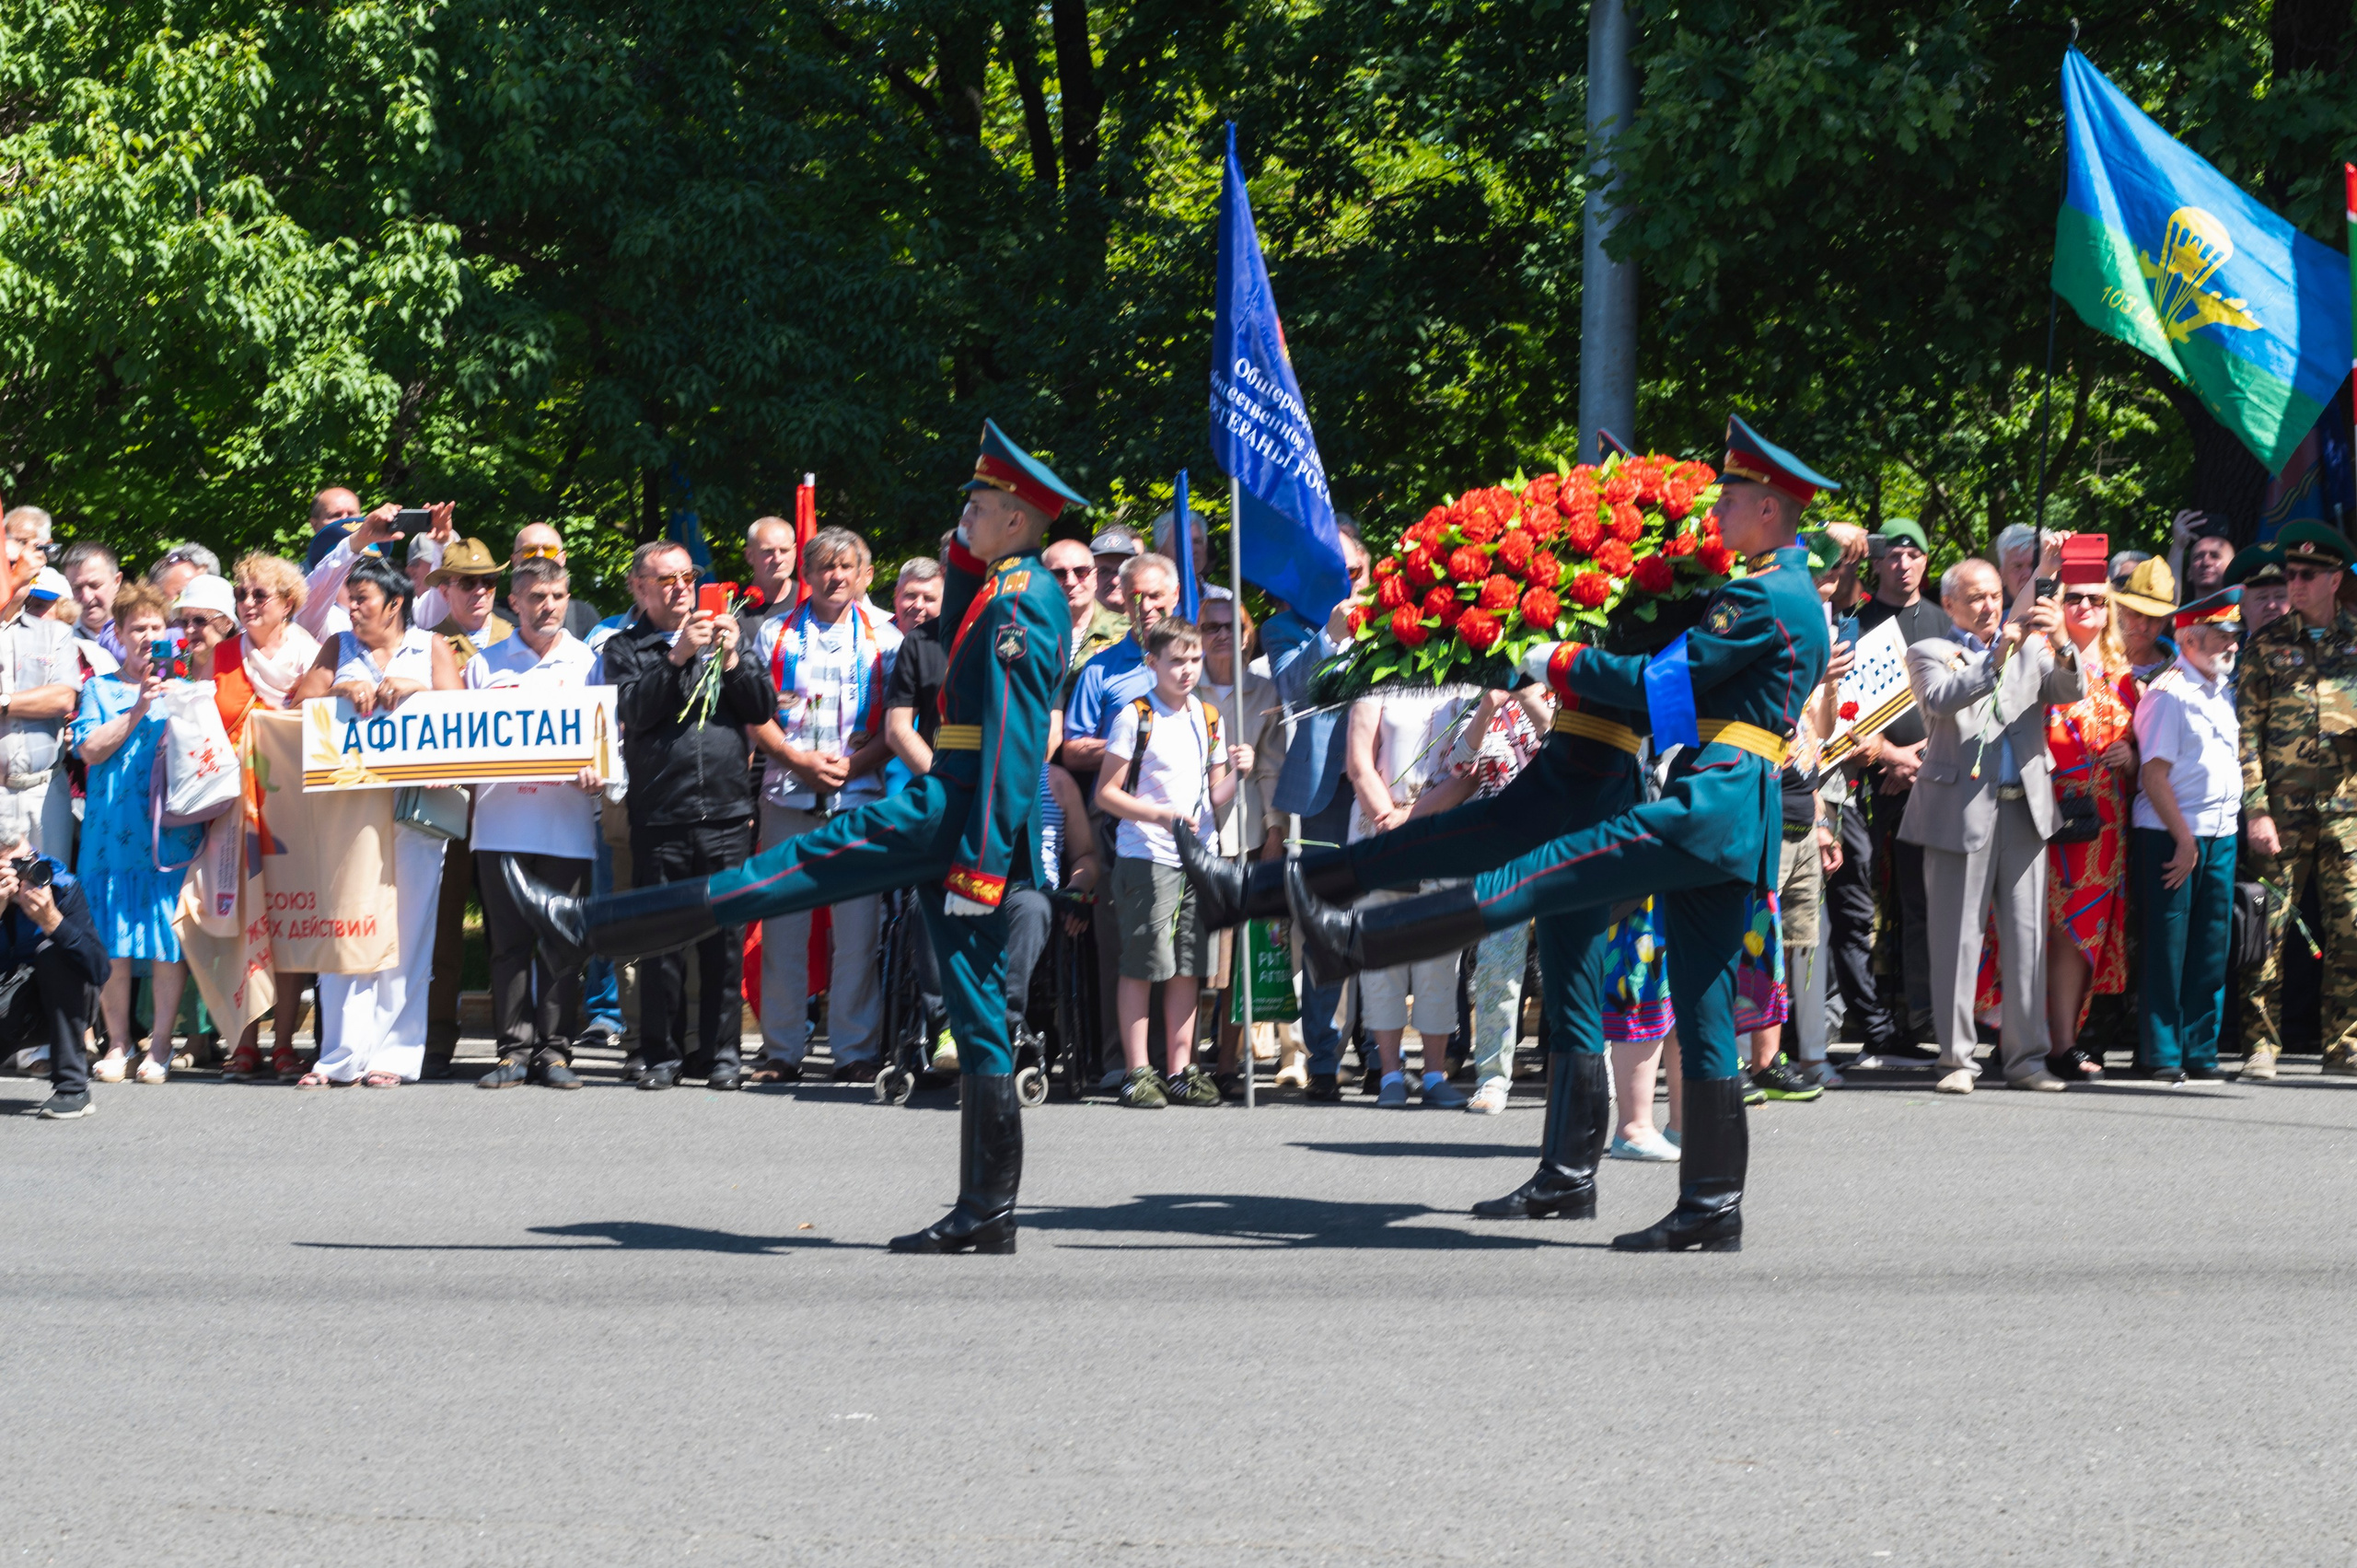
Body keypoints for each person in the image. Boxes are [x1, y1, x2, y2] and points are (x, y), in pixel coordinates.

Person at [501, 419, 1081, 1255]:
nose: (968, 517)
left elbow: (1014, 749)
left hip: (953, 813)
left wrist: (984, 864)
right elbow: (958, 631)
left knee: (787, 870)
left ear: (1020, 521)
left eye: (982, 506)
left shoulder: (1023, 599)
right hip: (959, 813)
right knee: (980, 1008)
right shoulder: (1001, 585)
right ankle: (989, 1211)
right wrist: (961, 552)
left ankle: (583, 927)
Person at [1281, 416, 1843, 1253]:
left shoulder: (1765, 594)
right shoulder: (1770, 588)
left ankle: (1353, 938)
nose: (1717, 508)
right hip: (1727, 797)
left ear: (1767, 507)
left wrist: (1552, 658)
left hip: (1713, 804)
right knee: (1703, 1009)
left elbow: (1662, 686)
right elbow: (1678, 697)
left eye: (1729, 496)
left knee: (1540, 874)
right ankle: (1710, 1205)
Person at [1899, 555, 2083, 1096]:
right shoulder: (1931, 650)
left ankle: (2027, 1059)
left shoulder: (2032, 650)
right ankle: (1956, 1060)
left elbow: (2070, 690)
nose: (1988, 605)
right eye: (1975, 597)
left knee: (2027, 939)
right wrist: (1995, 655)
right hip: (1958, 812)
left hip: (2024, 808)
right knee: (1957, 939)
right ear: (1949, 604)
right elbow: (1940, 699)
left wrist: (2064, 642)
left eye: (1995, 595)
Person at [599, 540, 776, 1091]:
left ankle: (722, 1055)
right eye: (666, 580)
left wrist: (730, 658)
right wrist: (676, 656)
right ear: (639, 588)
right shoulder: (626, 647)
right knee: (661, 944)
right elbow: (632, 710)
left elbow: (762, 708)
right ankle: (661, 1054)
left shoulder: (732, 633)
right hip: (662, 812)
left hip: (725, 811)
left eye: (687, 577)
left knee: (723, 942)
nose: (680, 588)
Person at [286, 555, 463, 1086]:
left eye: (362, 599)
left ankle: (394, 1057)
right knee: (347, 927)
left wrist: (419, 692)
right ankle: (339, 1056)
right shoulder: (337, 648)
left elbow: (463, 712)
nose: (352, 608)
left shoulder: (432, 647)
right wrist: (337, 690)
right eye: (349, 598)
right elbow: (297, 706)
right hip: (347, 813)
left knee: (409, 934)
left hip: (415, 810)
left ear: (396, 603)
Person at [743, 526, 901, 1084]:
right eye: (823, 567)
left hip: (859, 798)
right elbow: (754, 713)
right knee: (783, 926)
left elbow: (896, 725)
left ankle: (855, 1050)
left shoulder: (889, 637)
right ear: (805, 575)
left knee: (856, 931)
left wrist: (853, 768)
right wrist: (794, 760)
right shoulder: (772, 634)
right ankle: (782, 1051)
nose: (835, 577)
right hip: (787, 793)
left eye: (846, 567)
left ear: (865, 575)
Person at [1095, 617, 1252, 1108]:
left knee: (1189, 967)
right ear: (1152, 664)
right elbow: (1107, 793)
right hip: (1147, 856)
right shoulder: (1135, 716)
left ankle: (1183, 1068)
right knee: (1143, 964)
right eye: (1176, 661)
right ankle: (1138, 1070)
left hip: (1195, 859)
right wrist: (1159, 815)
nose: (1186, 670)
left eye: (1193, 660)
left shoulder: (1207, 717)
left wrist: (1240, 774)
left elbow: (1213, 796)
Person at [468, 556, 605, 1091]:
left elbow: (606, 740)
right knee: (506, 946)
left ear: (567, 598)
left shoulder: (590, 662)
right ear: (515, 603)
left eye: (556, 596)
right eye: (535, 597)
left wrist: (602, 778)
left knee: (562, 944)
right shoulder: (485, 664)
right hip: (500, 825)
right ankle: (511, 1052)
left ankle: (555, 1052)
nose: (547, 606)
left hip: (565, 826)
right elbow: (461, 741)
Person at [1250, 530, 1372, 1100]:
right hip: (1329, 795)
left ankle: (1383, 1051)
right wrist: (1333, 635)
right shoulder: (1284, 629)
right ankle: (1324, 1056)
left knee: (1396, 912)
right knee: (1329, 924)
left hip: (1392, 787)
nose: (1349, 581)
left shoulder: (1399, 618)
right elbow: (1298, 687)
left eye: (1357, 569)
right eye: (1337, 570)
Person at [2236, 522, 2357, 1079]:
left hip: (2347, 811)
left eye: (2308, 575)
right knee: (2269, 929)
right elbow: (2246, 735)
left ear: (2336, 580)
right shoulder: (2266, 645)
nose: (2295, 584)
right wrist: (2256, 807)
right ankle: (2262, 1043)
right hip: (2280, 815)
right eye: (2290, 574)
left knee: (2351, 924)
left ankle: (2345, 1043)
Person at [1826, 517, 1947, 1069]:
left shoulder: (1946, 624)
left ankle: (1922, 1017)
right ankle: (1860, 1022)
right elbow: (1836, 707)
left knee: (1923, 906)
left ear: (1926, 561)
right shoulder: (1854, 620)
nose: (1902, 564)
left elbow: (1965, 703)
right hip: (1856, 782)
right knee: (1853, 904)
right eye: (1892, 554)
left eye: (1913, 554)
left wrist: (1920, 760)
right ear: (1876, 562)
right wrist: (1886, 756)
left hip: (1931, 781)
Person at [72, 584, 199, 1086]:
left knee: (168, 941)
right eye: (136, 629)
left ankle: (162, 1045)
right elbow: (90, 751)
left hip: (168, 836)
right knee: (113, 944)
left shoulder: (185, 685)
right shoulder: (99, 689)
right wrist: (139, 708)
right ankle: (119, 1042)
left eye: (155, 628)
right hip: (110, 834)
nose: (147, 637)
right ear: (119, 636)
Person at [1405, 686, 1552, 1113]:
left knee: (1574, 961)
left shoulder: (1568, 695)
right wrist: (1488, 707)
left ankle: (1588, 1067)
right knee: (1496, 967)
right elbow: (1458, 766)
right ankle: (1492, 1078)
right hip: (1501, 851)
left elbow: (1564, 751)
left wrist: (1532, 703)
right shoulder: (1481, 703)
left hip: (1564, 844)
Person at [1342, 682, 1476, 1108]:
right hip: (1378, 830)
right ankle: (1389, 1075)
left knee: (1440, 959)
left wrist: (1411, 819)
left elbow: (1470, 773)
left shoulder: (1472, 685)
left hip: (1442, 835)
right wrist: (1387, 819)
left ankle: (1435, 1074)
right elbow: (1358, 762)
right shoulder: (1378, 680)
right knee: (1381, 959)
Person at [2132, 589, 2243, 1083]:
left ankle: (2200, 1049)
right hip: (2173, 835)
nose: (2233, 645)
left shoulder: (2221, 688)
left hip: (2219, 833)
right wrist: (2183, 840)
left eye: (2233, 637)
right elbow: (2154, 776)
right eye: (2223, 636)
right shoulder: (2167, 693)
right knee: (2168, 946)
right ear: (2190, 638)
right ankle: (2163, 1053)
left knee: (2210, 946)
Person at [2038, 567, 2138, 1082]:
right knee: (2045, 928)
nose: (2084, 607)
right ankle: (2042, 1038)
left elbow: (2148, 748)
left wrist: (2132, 755)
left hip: (2102, 820)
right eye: (2073, 598)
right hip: (2046, 810)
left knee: (2084, 932)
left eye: (2096, 600)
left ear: (2109, 610)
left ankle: (2064, 1040)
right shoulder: (2041, 655)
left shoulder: (2124, 673)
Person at [1192, 589, 1285, 1090]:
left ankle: (1227, 1064)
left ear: (1250, 636)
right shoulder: (1182, 684)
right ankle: (1182, 1063)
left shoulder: (1265, 693)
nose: (1223, 635)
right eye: (1211, 627)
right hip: (1191, 834)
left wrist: (1275, 831)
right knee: (1191, 957)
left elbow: (1272, 768)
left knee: (1236, 960)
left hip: (1246, 835)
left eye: (1234, 627)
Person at [0, 797, 108, 1119]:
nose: (25, 872)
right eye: (13, 865)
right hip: (6, 1009)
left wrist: (53, 923)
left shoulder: (61, 886)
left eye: (28, 859)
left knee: (55, 953)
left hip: (61, 1006)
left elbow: (99, 969)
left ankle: (73, 1090)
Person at [0, 528, 87, 858]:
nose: (20, 568)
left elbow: (63, 698)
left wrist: (4, 703)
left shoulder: (55, 633)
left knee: (50, 895)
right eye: (9, 563)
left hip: (44, 791)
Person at [495, 524, 601, 638]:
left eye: (549, 550)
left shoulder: (583, 615)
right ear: (514, 561)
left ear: (562, 558)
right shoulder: (492, 616)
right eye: (530, 550)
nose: (540, 555)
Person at [1049, 538, 1124, 674]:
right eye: (1059, 574)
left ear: (1094, 578)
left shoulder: (1126, 632)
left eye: (1080, 572)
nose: (1071, 582)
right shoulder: (1030, 631)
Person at [2111, 556, 2178, 688]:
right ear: (2120, 609)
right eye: (2136, 614)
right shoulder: (2095, 656)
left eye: (2155, 619)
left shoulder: (2178, 678)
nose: (2143, 627)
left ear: (2165, 621)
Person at [58, 541, 125, 661]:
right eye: (77, 588)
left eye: (94, 585)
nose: (86, 597)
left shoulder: (141, 631)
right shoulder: (59, 638)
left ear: (116, 582)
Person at [2170, 509, 2234, 605]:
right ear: (2189, 573)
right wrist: (2178, 545)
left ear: (2232, 568)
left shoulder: (2246, 616)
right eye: (2198, 557)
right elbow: (2168, 606)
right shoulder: (2180, 618)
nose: (2206, 562)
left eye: (2215, 556)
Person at [2228, 545, 2289, 634]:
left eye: (2280, 596)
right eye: (2262, 598)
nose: (2271, 605)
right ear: (2242, 606)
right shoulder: (2229, 647)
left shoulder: (2313, 646)